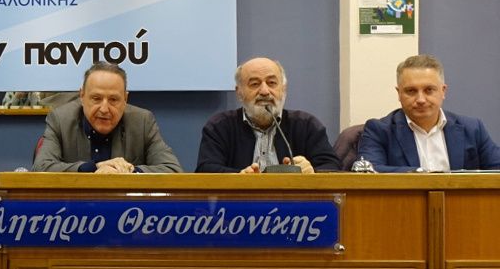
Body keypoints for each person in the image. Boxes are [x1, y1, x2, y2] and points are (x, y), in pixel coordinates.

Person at [32, 61, 182, 173]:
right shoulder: (60, 119)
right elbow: (40, 168)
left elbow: (173, 169)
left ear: (125, 99)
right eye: (96, 98)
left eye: (113, 100)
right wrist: (94, 167)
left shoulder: (142, 122)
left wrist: (127, 171)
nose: (104, 109)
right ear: (82, 96)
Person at [358, 54, 500, 172]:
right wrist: (422, 175)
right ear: (399, 93)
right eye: (411, 91)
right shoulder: (379, 131)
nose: (420, 99)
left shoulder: (472, 129)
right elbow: (369, 172)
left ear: (443, 91)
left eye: (429, 90)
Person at [196, 57, 339, 173]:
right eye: (254, 84)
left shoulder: (306, 125)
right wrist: (240, 178)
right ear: (239, 93)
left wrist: (312, 171)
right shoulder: (220, 126)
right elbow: (206, 169)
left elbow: (333, 167)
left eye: (271, 83)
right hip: (241, 200)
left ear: (283, 89)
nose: (264, 91)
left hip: (293, 201)